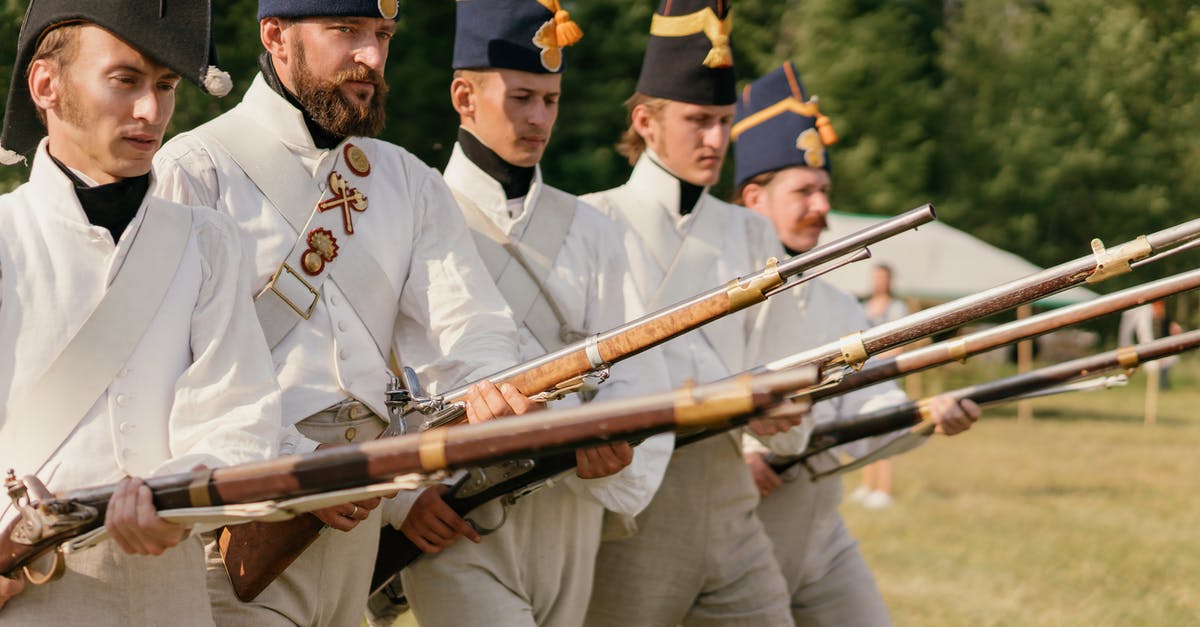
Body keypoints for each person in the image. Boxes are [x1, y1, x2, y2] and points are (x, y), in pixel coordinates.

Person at [153, 1, 530, 625]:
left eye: (382, 34)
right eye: (346, 31)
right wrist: (284, 469)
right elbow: (167, 372)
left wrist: (490, 385)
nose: (373, 58)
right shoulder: (195, 171)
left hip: (361, 523)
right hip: (242, 533)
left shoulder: (407, 181)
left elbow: (468, 328)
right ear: (275, 36)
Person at [393, 4, 675, 625]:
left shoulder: (594, 232)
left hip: (569, 513)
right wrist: (399, 503)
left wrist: (616, 443)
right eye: (522, 97)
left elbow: (640, 371)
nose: (539, 118)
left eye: (550, 99)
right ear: (464, 96)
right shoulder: (409, 213)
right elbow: (376, 367)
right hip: (455, 515)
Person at [0, 2, 282, 623]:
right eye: (124, 81)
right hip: (28, 593)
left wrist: (173, 497)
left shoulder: (207, 241)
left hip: (173, 586)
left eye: (164, 86)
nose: (151, 113)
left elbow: (241, 415)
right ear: (46, 84)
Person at [581, 2, 813, 625]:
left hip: (731, 498)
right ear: (646, 121)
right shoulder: (590, 220)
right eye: (697, 121)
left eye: (722, 122)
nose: (715, 141)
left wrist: (786, 402)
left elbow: (784, 362)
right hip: (639, 501)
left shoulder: (752, 233)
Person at [732, 61, 980, 627]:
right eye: (804, 191)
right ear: (753, 198)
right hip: (733, 526)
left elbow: (871, 404)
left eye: (824, 190)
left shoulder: (837, 304)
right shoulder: (710, 298)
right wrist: (742, 450)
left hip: (820, 529)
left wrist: (924, 415)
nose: (822, 207)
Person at [853, 263, 910, 509]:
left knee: (883, 432)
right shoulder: (862, 307)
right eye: (876, 277)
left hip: (884, 375)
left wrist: (875, 361)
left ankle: (884, 489)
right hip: (865, 375)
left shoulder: (898, 308)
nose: (880, 282)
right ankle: (868, 485)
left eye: (883, 278)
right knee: (865, 428)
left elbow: (901, 341)